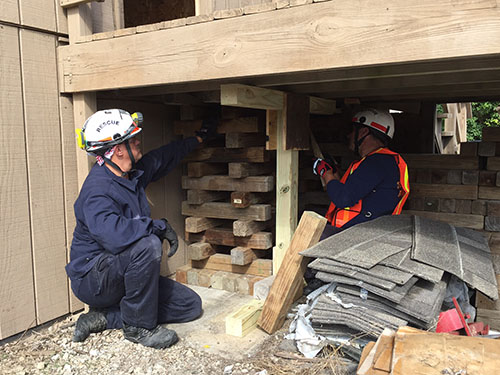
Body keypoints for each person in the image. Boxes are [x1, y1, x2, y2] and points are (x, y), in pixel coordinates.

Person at [66, 109, 216, 349]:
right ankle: (139, 329)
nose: (138, 141)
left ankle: (105, 317)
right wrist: (156, 227)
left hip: (120, 274)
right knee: (148, 244)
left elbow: (161, 159)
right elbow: (114, 236)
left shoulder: (129, 174)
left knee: (190, 305)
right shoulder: (97, 191)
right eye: (131, 139)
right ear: (117, 150)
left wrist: (198, 139)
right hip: (94, 280)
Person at [313, 108, 410, 239]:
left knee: (310, 230)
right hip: (371, 231)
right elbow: (356, 191)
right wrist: (334, 174)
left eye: (353, 131)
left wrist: (326, 172)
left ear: (363, 132)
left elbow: (343, 199)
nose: (349, 136)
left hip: (359, 236)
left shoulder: (376, 163)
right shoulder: (387, 161)